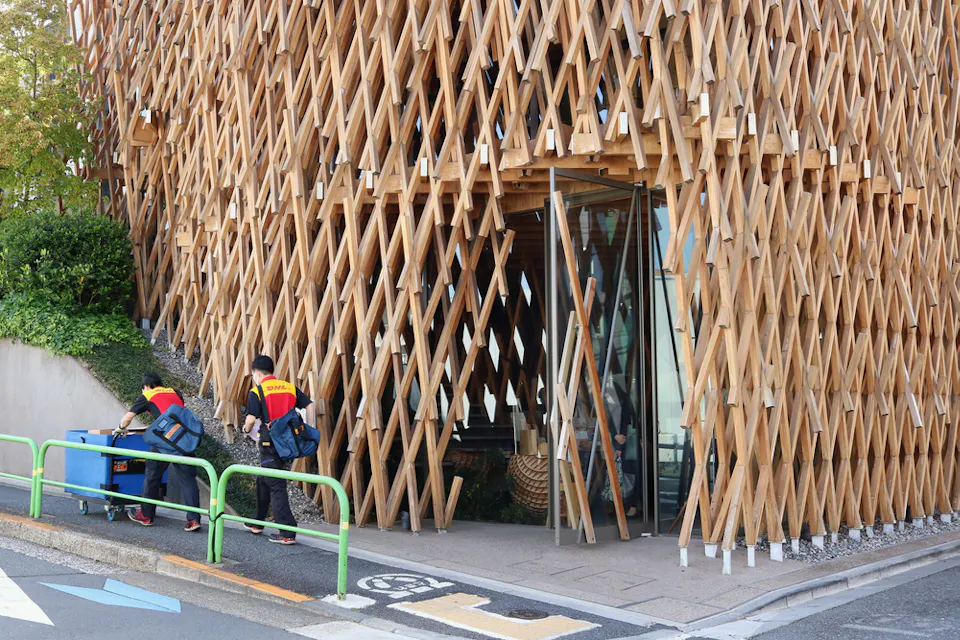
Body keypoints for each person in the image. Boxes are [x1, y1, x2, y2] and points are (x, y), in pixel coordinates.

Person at [242, 354, 315, 545]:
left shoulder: (257, 391)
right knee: (263, 478)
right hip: (288, 443)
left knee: (276, 485)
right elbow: (309, 405)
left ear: (257, 373)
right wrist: (308, 429)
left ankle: (287, 531)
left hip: (270, 443)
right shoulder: (289, 387)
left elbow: (251, 419)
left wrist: (245, 430)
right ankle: (257, 521)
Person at [115, 373, 202, 531]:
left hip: (165, 442)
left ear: (146, 386)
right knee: (188, 479)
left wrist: (119, 429)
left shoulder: (148, 395)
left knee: (152, 475)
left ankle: (146, 515)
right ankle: (194, 520)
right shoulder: (175, 392)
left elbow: (127, 419)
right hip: (183, 441)